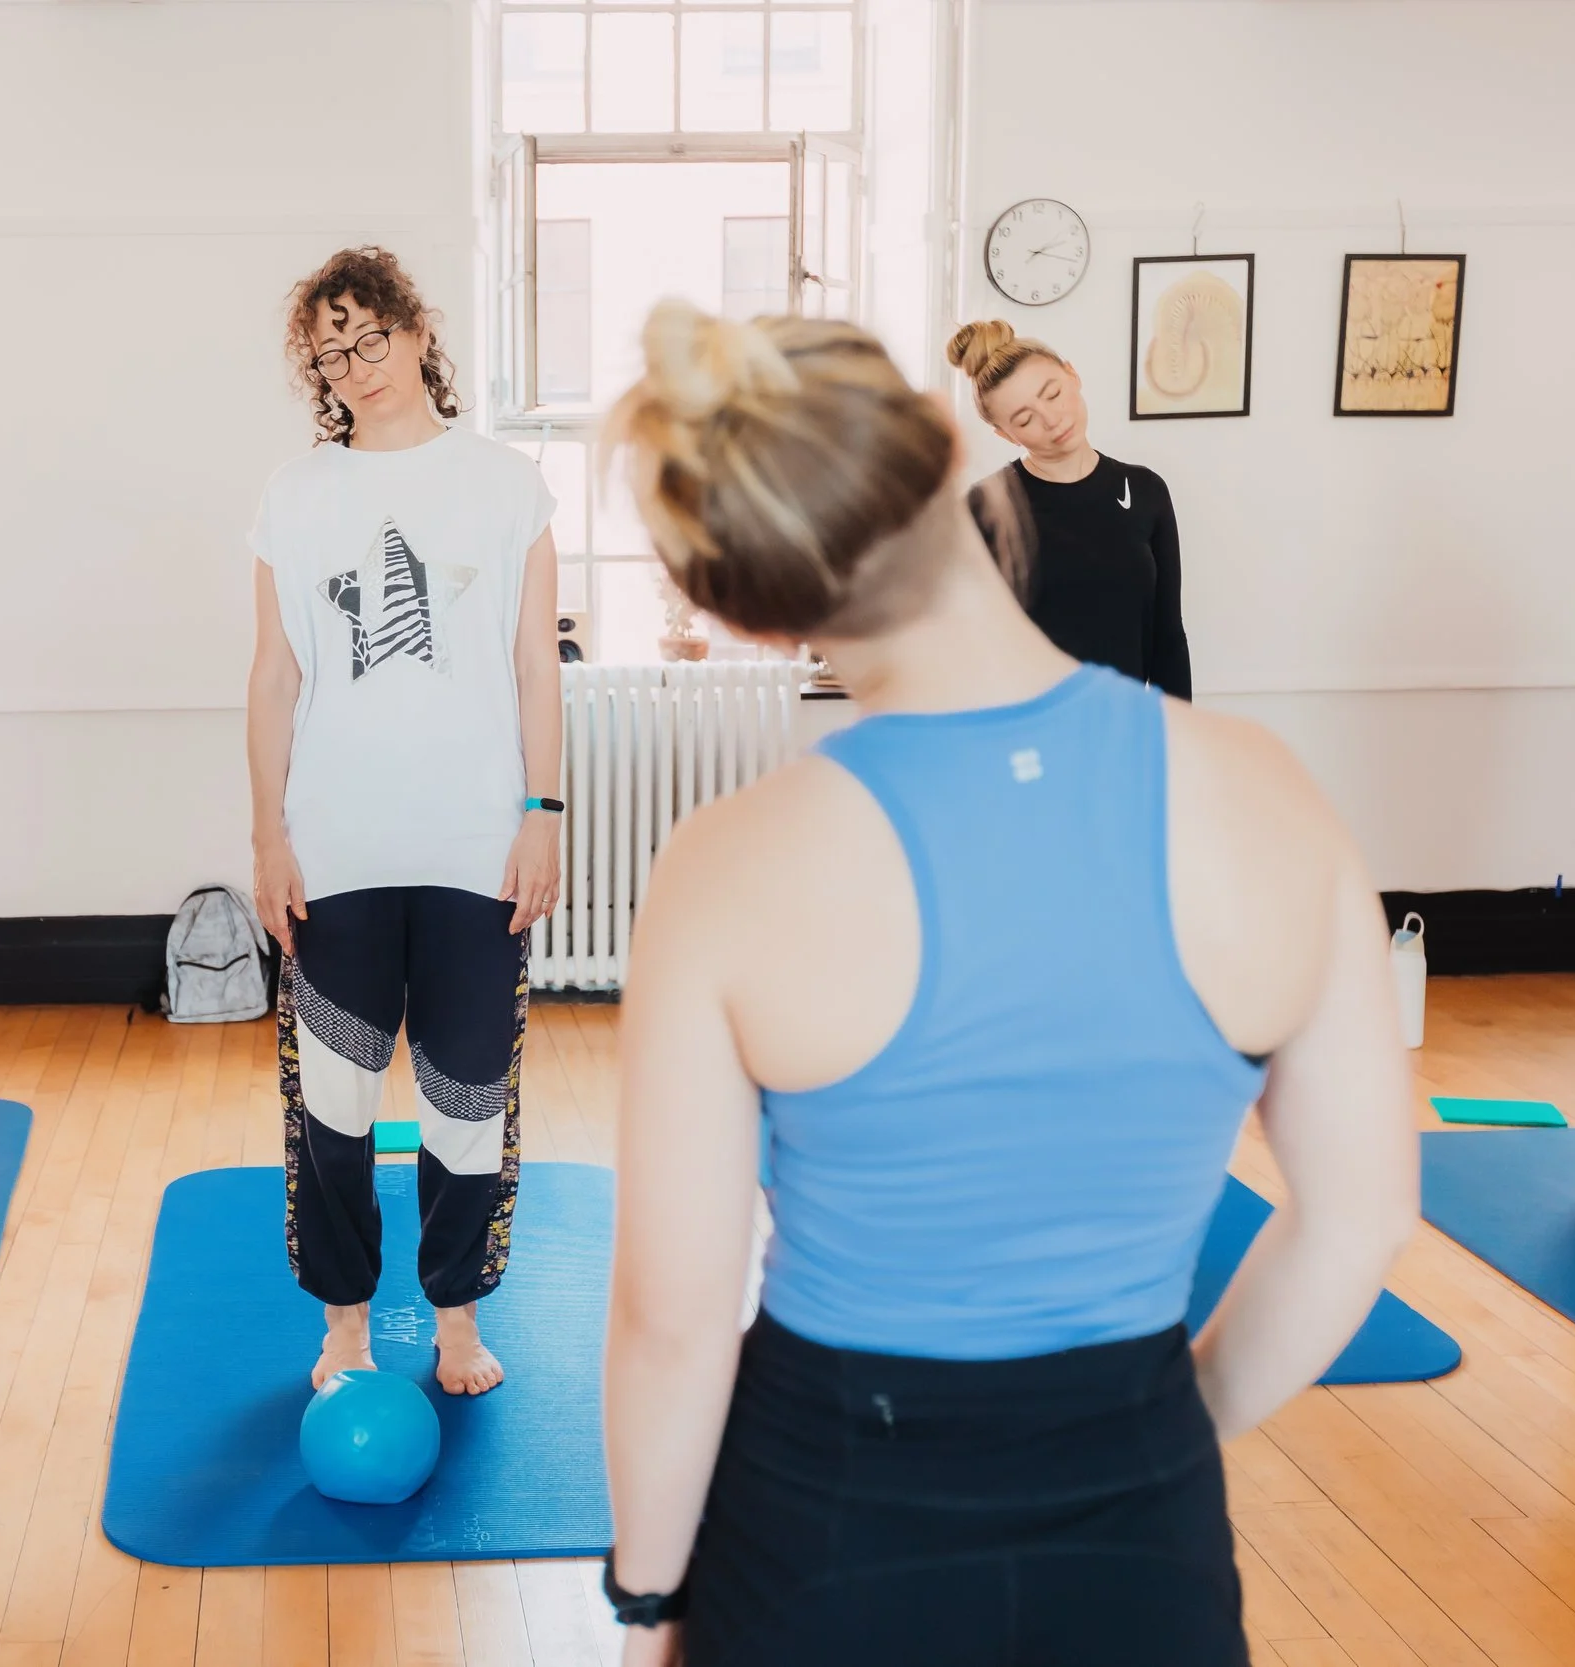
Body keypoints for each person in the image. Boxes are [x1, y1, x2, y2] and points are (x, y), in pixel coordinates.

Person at [598, 303, 1415, 1663]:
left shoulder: (726, 868)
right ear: (940, 446)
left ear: (742, 611)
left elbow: (674, 1320)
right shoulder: (1265, 793)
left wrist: (648, 1602)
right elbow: (1364, 1218)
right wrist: (1157, 1432)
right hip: (1138, 1533)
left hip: (825, 1530)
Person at [245, 246, 563, 1396]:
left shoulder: (504, 483)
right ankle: (342, 1327)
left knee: (467, 1098)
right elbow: (273, 676)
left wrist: (543, 810)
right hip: (334, 848)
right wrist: (267, 835)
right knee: (329, 1105)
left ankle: (457, 1319)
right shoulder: (295, 491)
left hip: (477, 846)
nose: (355, 366)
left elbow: (537, 663)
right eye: (330, 353)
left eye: (368, 336)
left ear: (417, 332)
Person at [949, 319, 1193, 696]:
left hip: (1124, 729)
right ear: (1004, 434)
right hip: (1025, 735)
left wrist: (1176, 742)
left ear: (1072, 375)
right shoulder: (985, 507)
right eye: (1025, 419)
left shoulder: (1144, 491)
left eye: (1052, 393)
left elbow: (1168, 637)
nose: (1052, 419)